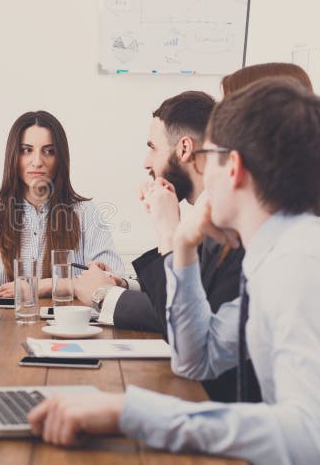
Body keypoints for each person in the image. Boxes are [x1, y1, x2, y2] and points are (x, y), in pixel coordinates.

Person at [29, 78, 320, 464]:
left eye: (207, 158)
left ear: (233, 169)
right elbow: (197, 358)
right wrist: (180, 247)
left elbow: (311, 443)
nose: (201, 172)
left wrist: (132, 412)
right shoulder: (281, 256)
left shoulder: (305, 269)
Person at [72, 91, 255, 403]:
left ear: (184, 148)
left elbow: (190, 320)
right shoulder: (205, 217)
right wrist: (122, 284)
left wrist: (105, 295)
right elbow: (191, 291)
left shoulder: (233, 227)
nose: (146, 162)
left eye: (152, 148)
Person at [0, 111, 124, 298]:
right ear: (14, 155)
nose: (37, 162)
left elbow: (112, 280)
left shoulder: (85, 213)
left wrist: (45, 285)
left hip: (64, 317)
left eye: (49, 151)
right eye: (26, 150)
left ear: (60, 158)